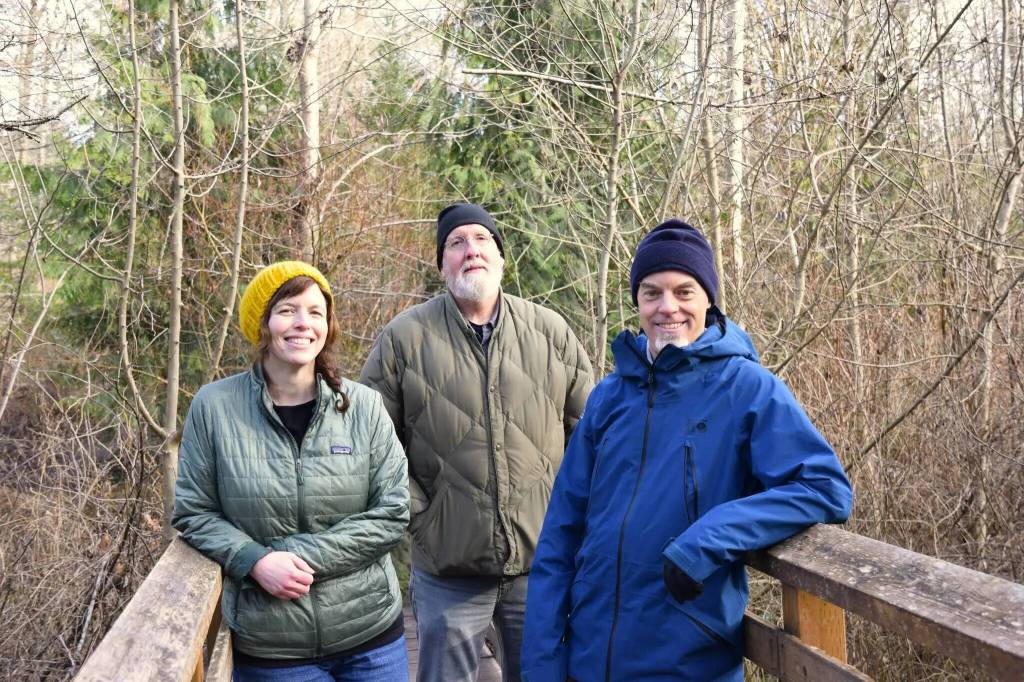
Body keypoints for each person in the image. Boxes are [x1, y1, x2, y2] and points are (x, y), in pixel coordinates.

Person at [521, 219, 854, 681]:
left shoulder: (746, 389)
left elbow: (824, 488)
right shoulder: (609, 398)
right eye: (652, 293)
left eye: (684, 292)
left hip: (686, 663)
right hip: (589, 659)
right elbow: (560, 534)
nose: (667, 308)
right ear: (637, 301)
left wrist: (708, 538)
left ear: (708, 300)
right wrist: (542, 664)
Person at [360, 203, 593, 682]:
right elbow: (370, 441)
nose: (471, 251)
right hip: (448, 569)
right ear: (442, 263)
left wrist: (572, 517)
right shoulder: (405, 338)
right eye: (456, 243)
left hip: (541, 562)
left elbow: (590, 437)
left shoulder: (550, 332)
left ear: (501, 256)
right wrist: (421, 513)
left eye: (482, 240)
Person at [173, 261, 411, 681]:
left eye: (316, 312)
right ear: (262, 324)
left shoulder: (363, 407)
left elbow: (392, 512)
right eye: (287, 310)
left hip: (371, 635)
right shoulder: (214, 408)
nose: (303, 323)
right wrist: (255, 560)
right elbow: (194, 513)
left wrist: (292, 556)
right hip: (274, 650)